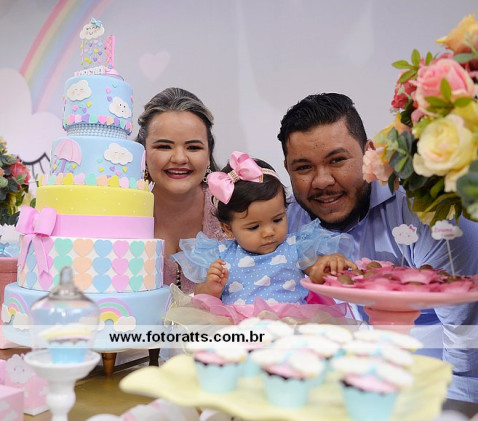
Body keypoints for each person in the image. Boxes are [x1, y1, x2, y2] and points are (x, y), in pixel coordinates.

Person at [277, 92, 478, 402]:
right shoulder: (285, 222)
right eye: (303, 167)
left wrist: (449, 407)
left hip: (432, 384)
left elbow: (465, 329)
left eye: (337, 160)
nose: (322, 181)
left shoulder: (426, 210)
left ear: (369, 152)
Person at [173, 151, 356, 304]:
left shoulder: (296, 247)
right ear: (228, 228)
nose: (269, 232)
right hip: (242, 329)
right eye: (254, 227)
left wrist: (329, 263)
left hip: (290, 325)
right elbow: (201, 298)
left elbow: (317, 272)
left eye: (277, 219)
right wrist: (211, 287)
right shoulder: (221, 256)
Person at [136, 87, 227, 294]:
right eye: (164, 146)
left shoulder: (232, 207)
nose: (179, 158)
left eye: (193, 147)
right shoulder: (122, 210)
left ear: (208, 153)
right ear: (143, 152)